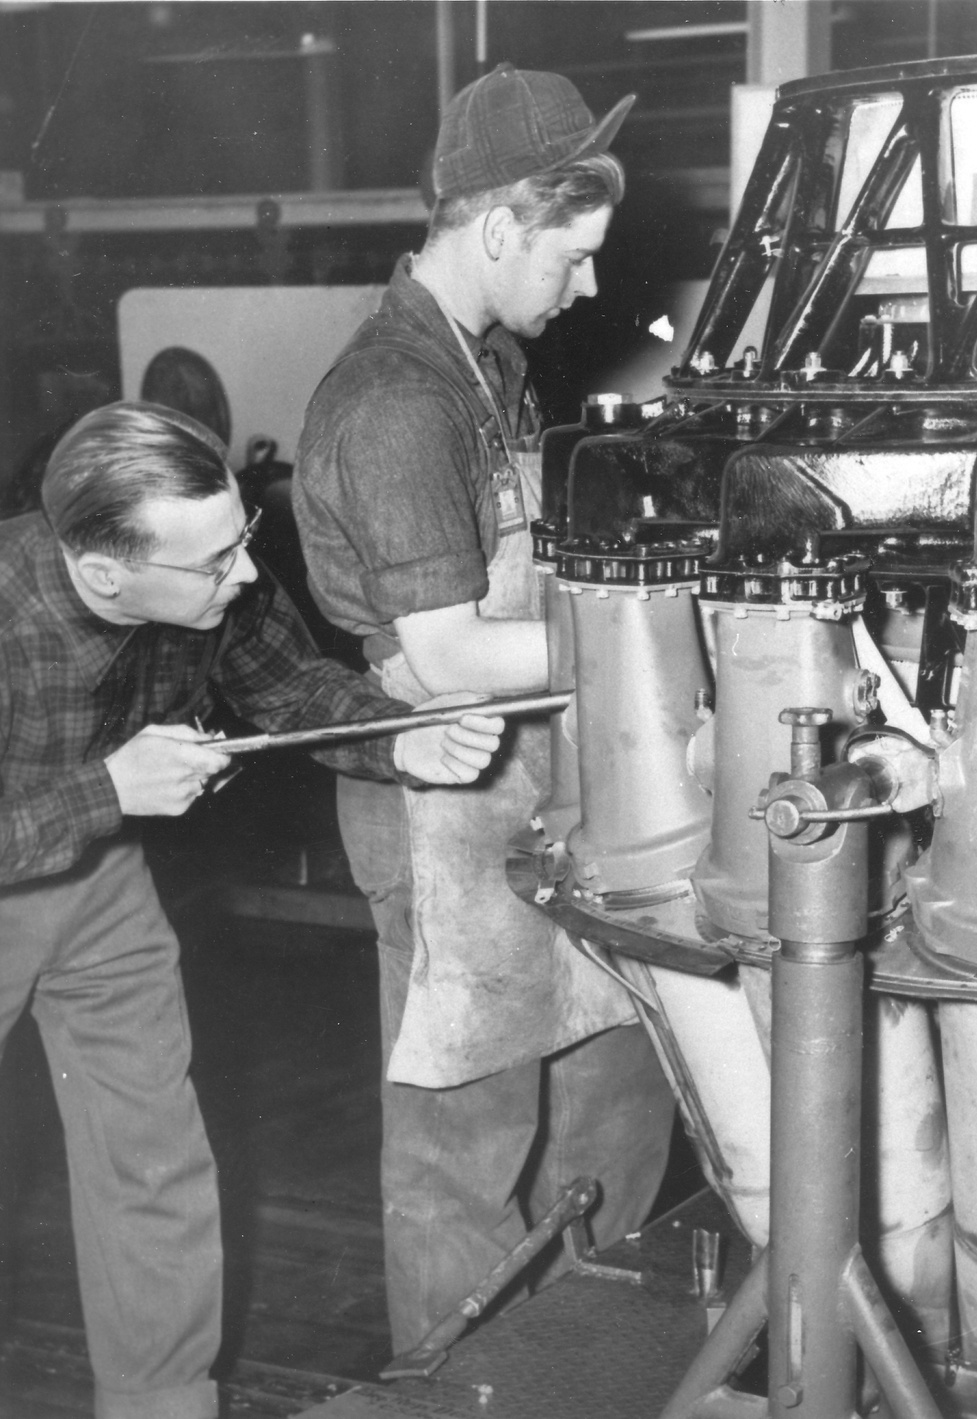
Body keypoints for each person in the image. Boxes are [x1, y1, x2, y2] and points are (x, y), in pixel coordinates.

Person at [0, 400, 503, 1419]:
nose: (241, 576)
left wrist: (399, 737)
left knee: (154, 1164)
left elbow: (292, 689)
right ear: (104, 572)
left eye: (244, 541)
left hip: (96, 886)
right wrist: (108, 791)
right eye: (214, 562)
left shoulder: (211, 568)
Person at [292, 63, 676, 1353]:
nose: (589, 287)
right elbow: (450, 655)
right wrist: (660, 626)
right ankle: (459, 1384)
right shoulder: (401, 396)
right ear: (502, 224)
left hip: (539, 794)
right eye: (573, 256)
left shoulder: (485, 364)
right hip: (444, 805)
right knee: (469, 1147)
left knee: (612, 1103)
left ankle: (597, 1358)